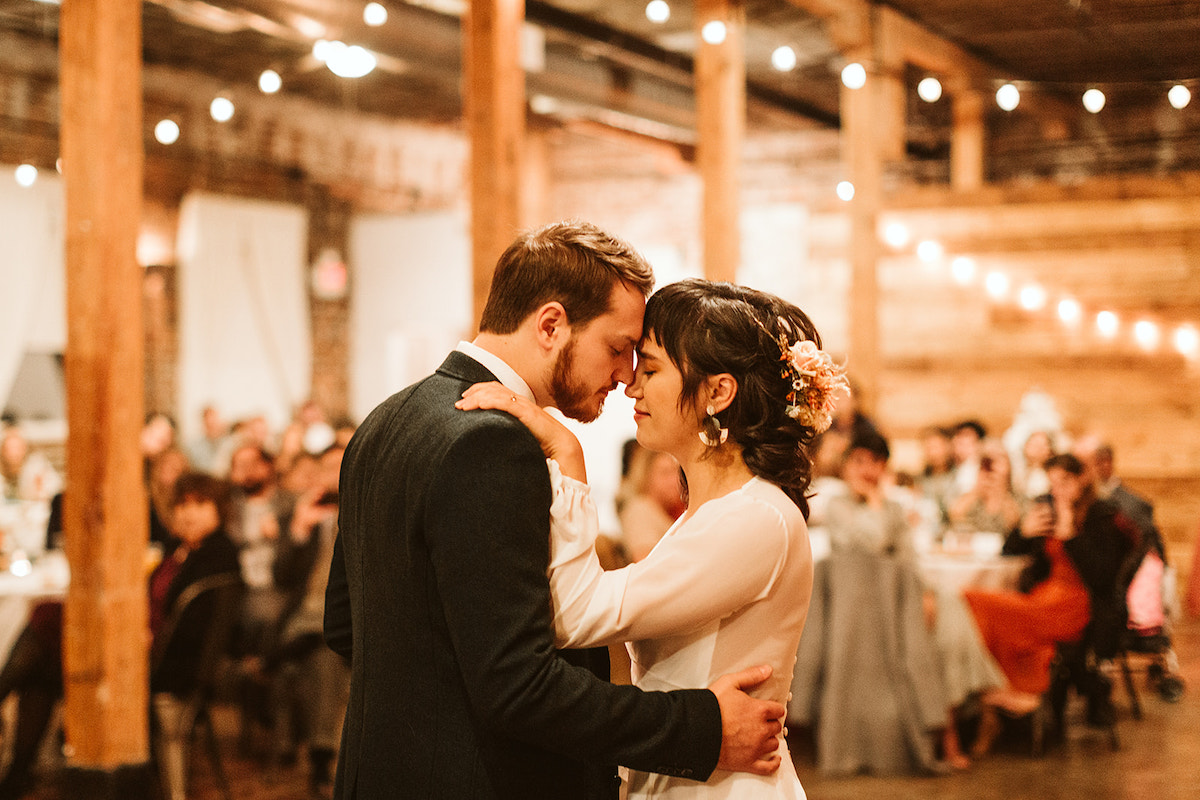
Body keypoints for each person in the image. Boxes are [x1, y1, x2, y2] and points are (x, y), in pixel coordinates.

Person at [324, 222, 786, 800]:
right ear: (550, 325)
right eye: (618, 348)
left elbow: (346, 624)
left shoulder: (385, 420)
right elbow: (517, 686)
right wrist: (701, 728)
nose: (624, 377)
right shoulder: (490, 443)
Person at [459, 278, 845, 797]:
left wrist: (569, 460)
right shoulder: (716, 512)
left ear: (717, 392)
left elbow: (578, 616)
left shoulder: (756, 517)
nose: (631, 386)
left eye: (652, 368)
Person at [0, 472, 241, 799]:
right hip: (137, 646)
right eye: (182, 504)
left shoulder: (217, 556)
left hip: (163, 666)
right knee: (42, 663)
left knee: (48, 621)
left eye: (200, 504)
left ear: (219, 510)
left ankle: (16, 769)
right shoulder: (178, 549)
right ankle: (16, 776)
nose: (188, 513)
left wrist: (146, 638)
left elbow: (194, 633)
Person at [964, 453, 1136, 753]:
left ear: (1083, 480)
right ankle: (997, 707)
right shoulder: (1047, 506)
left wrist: (1070, 535)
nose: (1058, 489)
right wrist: (1022, 532)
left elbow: (1103, 578)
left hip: (1080, 605)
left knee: (974, 600)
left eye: (1065, 481)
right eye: (1053, 482)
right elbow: (1010, 552)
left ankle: (998, 702)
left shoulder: (1102, 515)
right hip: (1045, 596)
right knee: (981, 609)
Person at [615, 443, 685, 563]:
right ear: (646, 476)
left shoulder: (660, 510)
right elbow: (645, 562)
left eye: (676, 472)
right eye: (665, 473)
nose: (675, 480)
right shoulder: (640, 510)